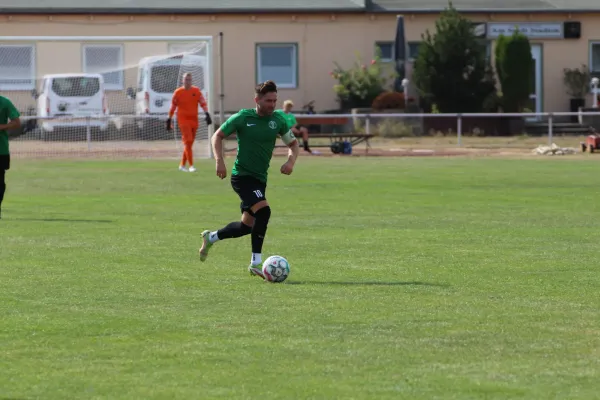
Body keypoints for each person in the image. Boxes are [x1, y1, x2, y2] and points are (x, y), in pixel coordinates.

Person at [198, 80, 299, 278]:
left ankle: (211, 237)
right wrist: (219, 161)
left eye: (274, 100)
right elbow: (217, 136)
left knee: (246, 226)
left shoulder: (278, 120)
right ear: (257, 100)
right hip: (241, 177)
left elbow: (294, 144)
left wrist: (290, 162)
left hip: (260, 179)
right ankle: (256, 263)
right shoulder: (243, 117)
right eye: (268, 100)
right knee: (265, 211)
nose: (272, 104)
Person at [167, 72, 212, 172]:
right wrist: (169, 119)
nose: (187, 81)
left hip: (194, 120)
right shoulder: (178, 92)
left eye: (189, 80)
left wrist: (207, 114)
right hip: (183, 120)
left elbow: (202, 102)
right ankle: (191, 166)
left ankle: (182, 165)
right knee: (188, 141)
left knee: (189, 143)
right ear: (182, 81)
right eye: (186, 80)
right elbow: (173, 106)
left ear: (192, 81)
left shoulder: (196, 91)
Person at [0, 95, 21, 219]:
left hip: (1, 150)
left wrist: (2, 127)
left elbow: (16, 122)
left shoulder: (4, 102)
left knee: (0, 184)